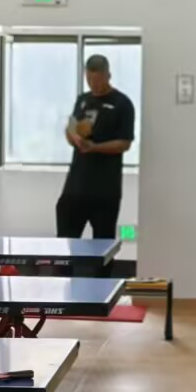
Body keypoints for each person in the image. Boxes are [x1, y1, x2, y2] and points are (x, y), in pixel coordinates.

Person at [56, 54, 136, 260]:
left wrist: (95, 147)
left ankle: (101, 280)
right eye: (89, 79)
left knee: (103, 248)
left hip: (105, 190)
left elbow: (124, 143)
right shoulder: (83, 100)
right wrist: (73, 135)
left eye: (98, 79)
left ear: (108, 75)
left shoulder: (122, 104)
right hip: (76, 186)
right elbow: (72, 128)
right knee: (64, 243)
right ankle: (66, 278)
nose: (94, 84)